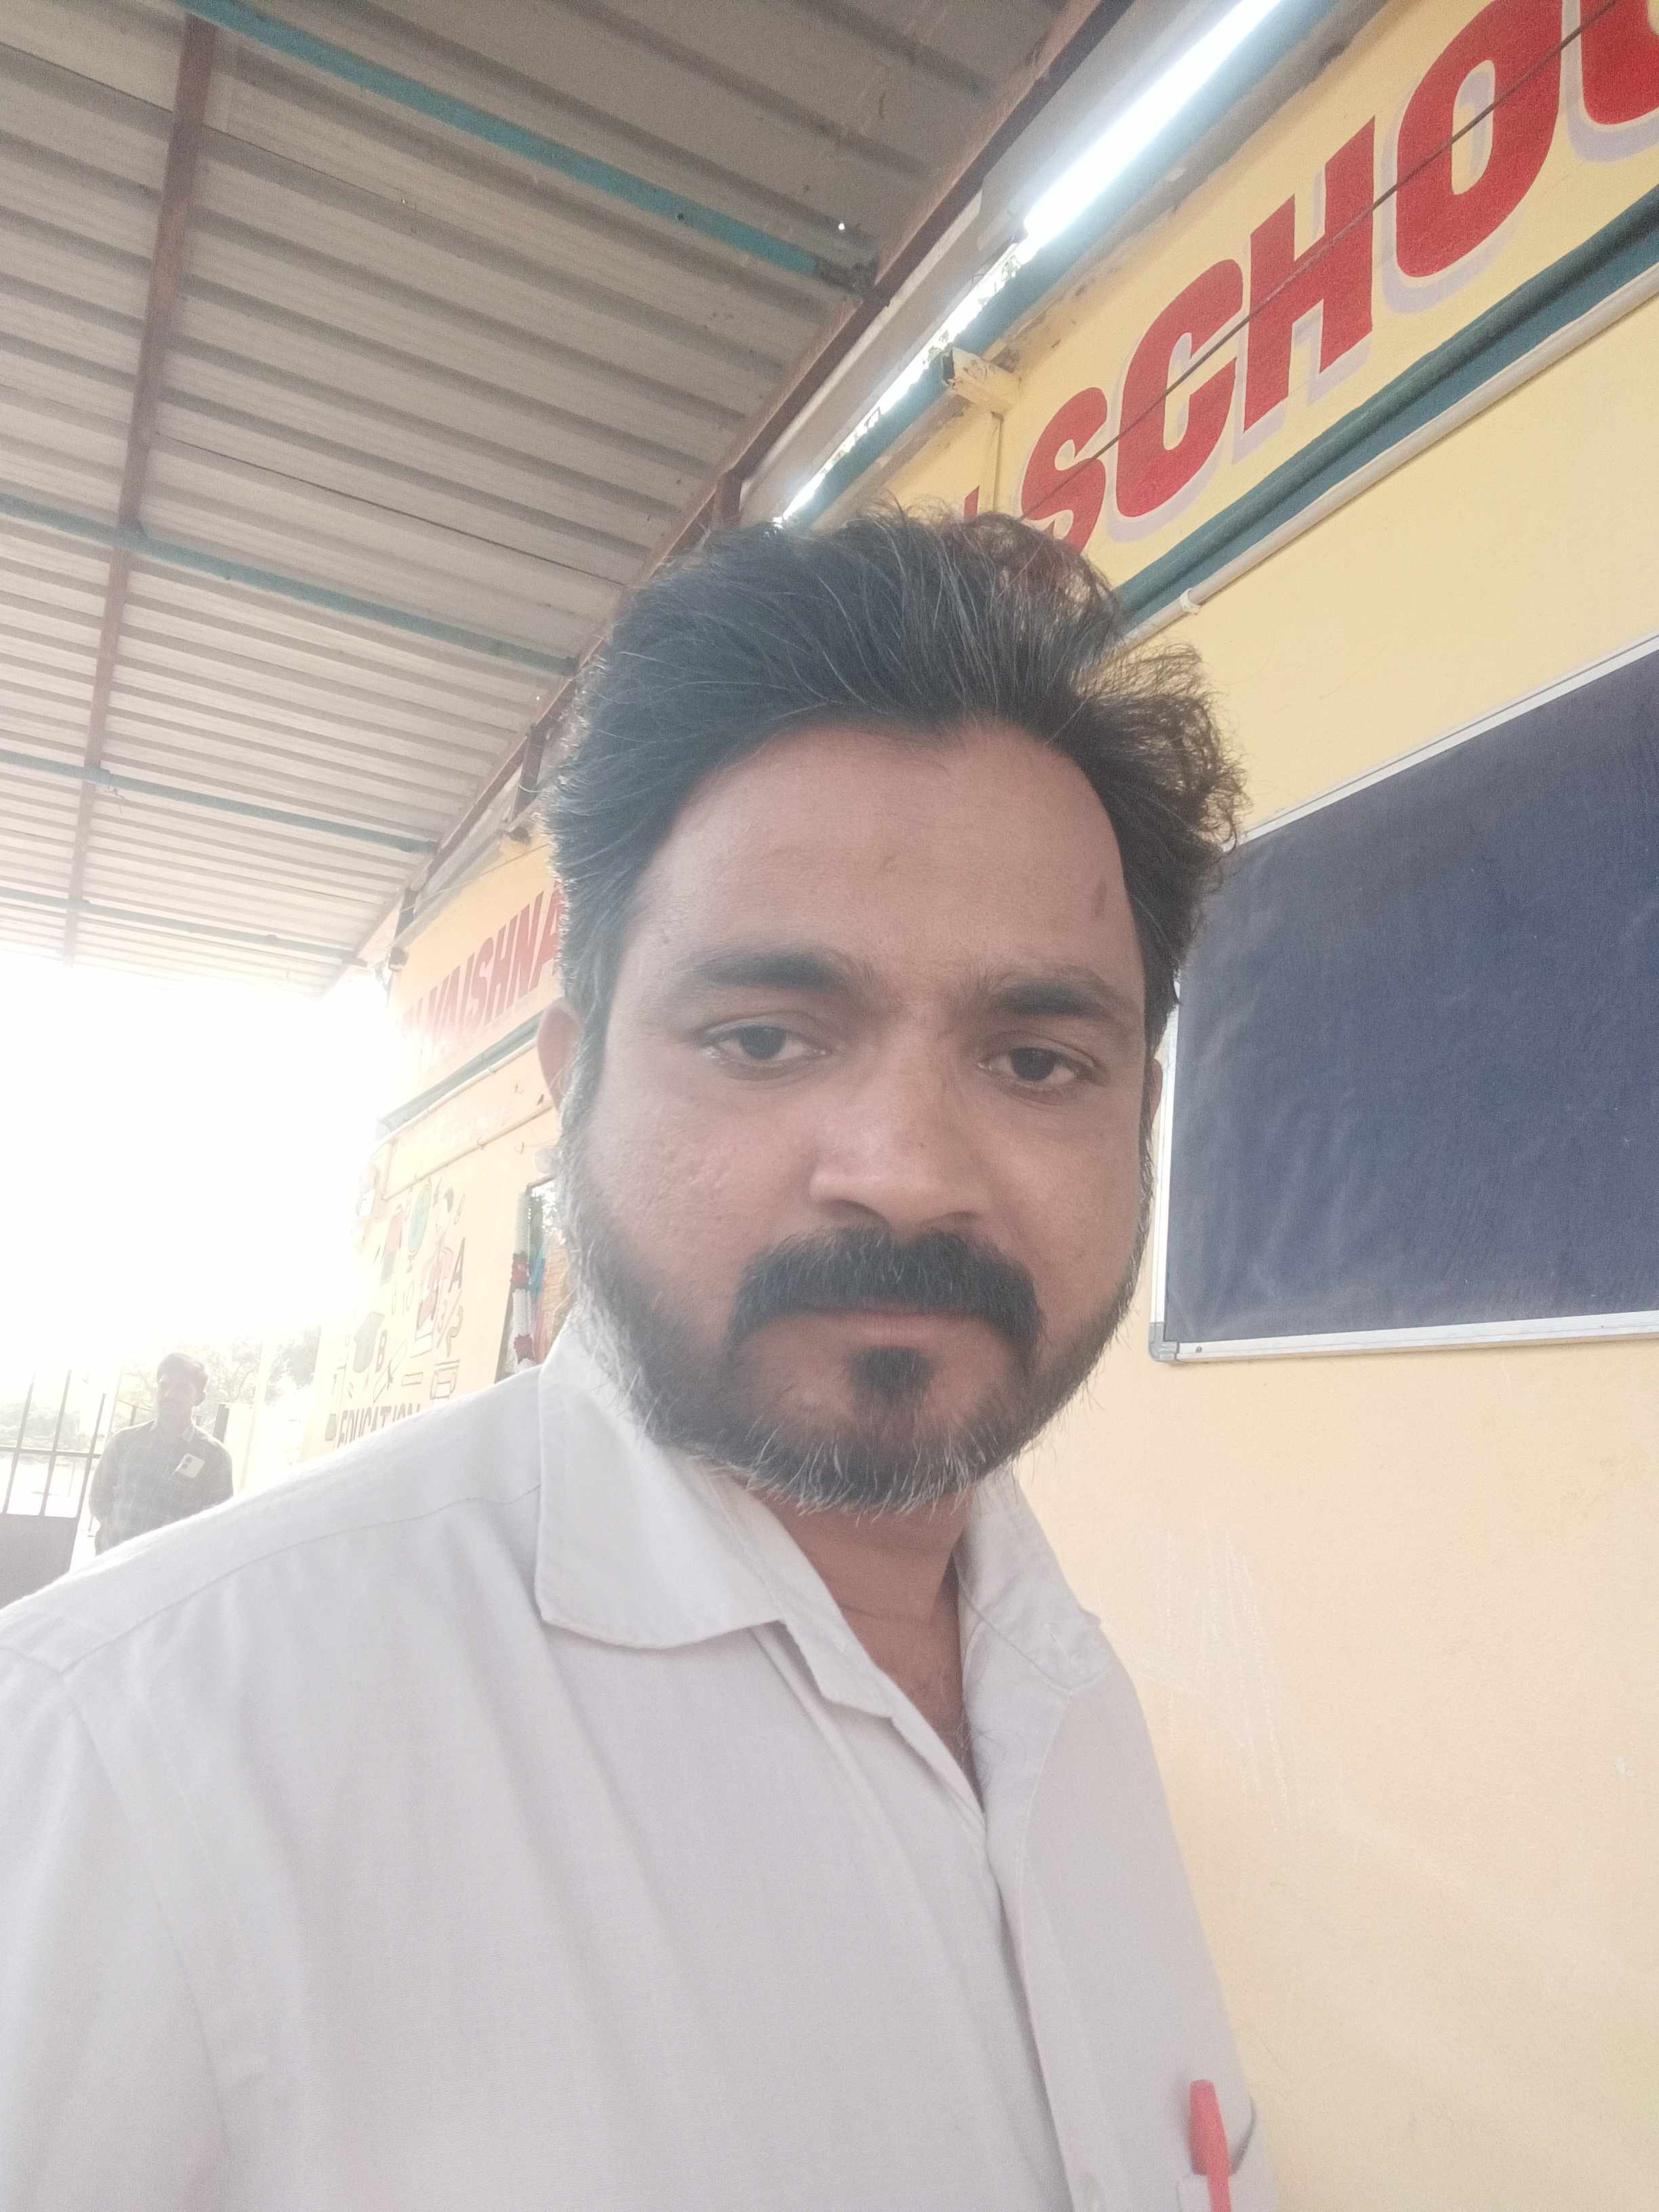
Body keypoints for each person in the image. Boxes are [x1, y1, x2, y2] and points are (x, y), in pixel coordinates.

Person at [0, 512, 1272, 2211]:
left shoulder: (1072, 1703)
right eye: (764, 1036)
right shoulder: (133, 1761)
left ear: (1140, 1114)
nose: (906, 1169)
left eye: (1037, 1060)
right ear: (572, 1079)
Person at [85, 1351, 232, 1553]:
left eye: (182, 1388)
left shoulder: (214, 1456)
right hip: (114, 1560)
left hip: (171, 1567)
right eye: (164, 1386)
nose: (169, 1395)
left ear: (199, 1397)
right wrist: (116, 1531)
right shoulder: (125, 1441)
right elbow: (98, 1499)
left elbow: (217, 1521)